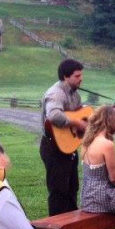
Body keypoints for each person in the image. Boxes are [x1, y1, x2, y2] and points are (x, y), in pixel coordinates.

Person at [41, 58, 87, 215]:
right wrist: (77, 123)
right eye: (77, 76)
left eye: (81, 75)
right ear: (65, 77)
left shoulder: (76, 95)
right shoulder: (56, 93)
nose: (81, 79)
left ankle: (72, 227)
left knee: (72, 187)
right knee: (58, 191)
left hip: (69, 147)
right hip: (53, 147)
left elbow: (79, 113)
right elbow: (53, 115)